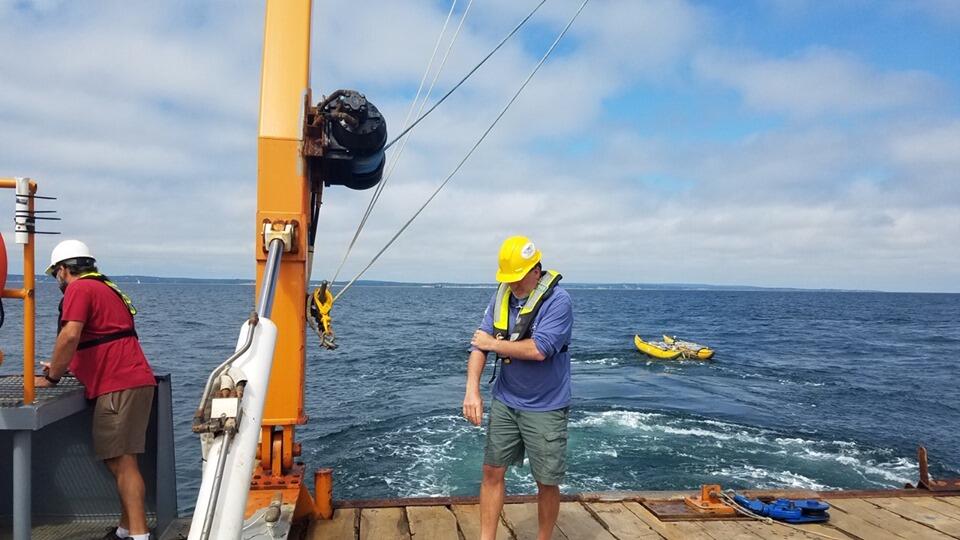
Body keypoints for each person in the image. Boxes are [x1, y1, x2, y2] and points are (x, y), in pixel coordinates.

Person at [35, 240, 156, 540]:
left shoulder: (79, 289)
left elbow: (70, 335)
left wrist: (52, 377)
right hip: (131, 381)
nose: (58, 281)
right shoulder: (105, 287)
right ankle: (125, 529)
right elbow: (101, 339)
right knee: (120, 460)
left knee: (122, 463)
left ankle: (139, 536)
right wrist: (65, 364)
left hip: (118, 385)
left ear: (64, 270)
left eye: (56, 275)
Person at [463, 235, 573, 540]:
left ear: (535, 271)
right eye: (507, 279)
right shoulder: (502, 297)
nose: (513, 285)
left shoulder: (558, 301)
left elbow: (540, 349)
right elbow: (479, 346)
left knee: (546, 481)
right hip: (506, 401)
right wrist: (472, 390)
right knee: (491, 471)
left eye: (517, 278)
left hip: (546, 407)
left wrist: (492, 343)